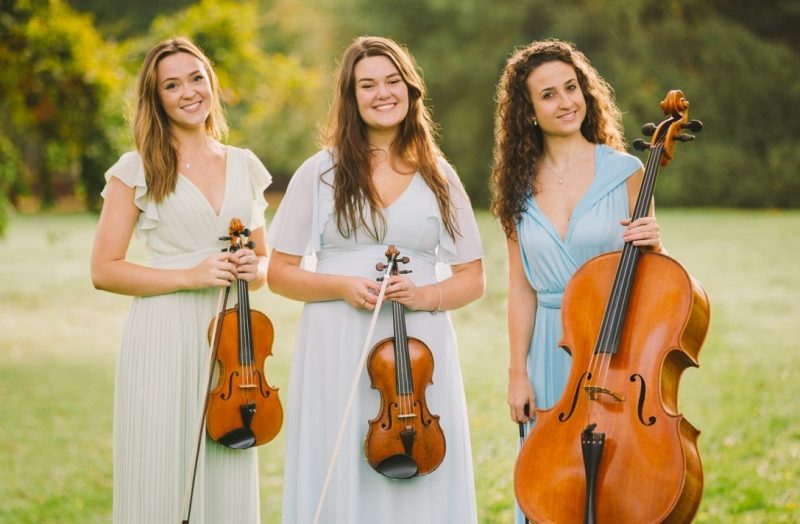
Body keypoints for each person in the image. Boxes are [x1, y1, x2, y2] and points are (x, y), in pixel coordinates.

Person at [267, 36, 484, 524]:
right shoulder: (320, 172)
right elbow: (279, 273)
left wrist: (426, 294)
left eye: (392, 81)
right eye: (367, 84)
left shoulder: (440, 176)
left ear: (410, 90)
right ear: (351, 97)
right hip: (336, 342)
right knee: (340, 457)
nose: (382, 93)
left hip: (419, 351)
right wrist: (341, 286)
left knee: (419, 467)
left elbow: (473, 277)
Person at [91, 37, 272, 523]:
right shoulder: (137, 169)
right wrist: (189, 274)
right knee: (159, 470)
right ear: (157, 98)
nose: (189, 91)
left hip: (233, 347)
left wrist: (255, 268)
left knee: (227, 467)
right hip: (164, 335)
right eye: (172, 85)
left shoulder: (244, 164)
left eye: (196, 78)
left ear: (211, 82)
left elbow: (261, 264)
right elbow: (104, 269)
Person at [490, 39, 663, 522]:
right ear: (527, 111)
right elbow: (521, 287)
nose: (565, 102)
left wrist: (657, 244)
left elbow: (654, 279)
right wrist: (517, 372)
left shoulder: (626, 171)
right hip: (548, 348)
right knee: (551, 487)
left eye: (572, 87)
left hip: (613, 348)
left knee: (616, 484)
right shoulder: (516, 187)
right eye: (548, 94)